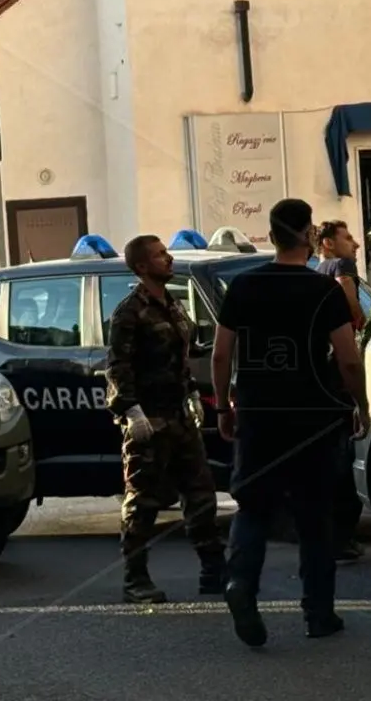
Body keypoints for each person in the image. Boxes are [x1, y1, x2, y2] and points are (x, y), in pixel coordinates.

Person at [211, 198, 371, 648]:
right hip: (314, 420)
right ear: (306, 234)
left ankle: (240, 583)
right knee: (314, 516)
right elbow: (348, 357)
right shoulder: (323, 291)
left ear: (272, 233)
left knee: (253, 506)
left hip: (258, 415)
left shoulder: (243, 287)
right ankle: (318, 614)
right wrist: (358, 404)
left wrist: (224, 406)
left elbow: (222, 353)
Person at [105, 234, 226, 604]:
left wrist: (191, 392)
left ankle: (213, 571)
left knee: (201, 494)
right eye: (160, 255)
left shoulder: (172, 305)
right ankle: (135, 578)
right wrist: (130, 410)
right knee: (143, 502)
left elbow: (180, 357)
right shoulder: (129, 312)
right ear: (142, 266)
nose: (168, 259)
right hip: (149, 419)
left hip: (178, 416)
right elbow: (117, 366)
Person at [315, 219, 367, 563]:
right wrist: (358, 314)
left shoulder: (315, 269)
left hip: (323, 374)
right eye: (348, 238)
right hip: (339, 372)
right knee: (341, 459)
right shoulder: (340, 266)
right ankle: (342, 539)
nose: (356, 245)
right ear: (329, 243)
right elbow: (347, 289)